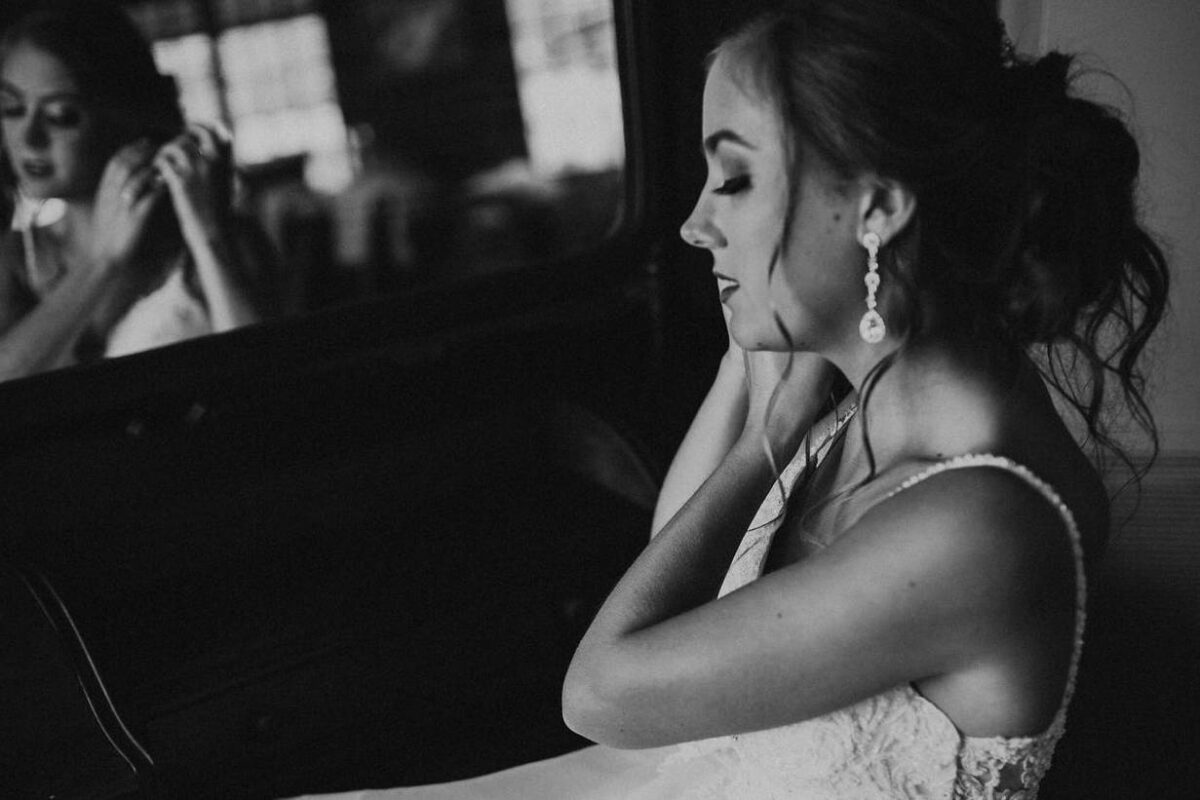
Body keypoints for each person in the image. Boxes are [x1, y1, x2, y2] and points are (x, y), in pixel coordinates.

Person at [287, 0, 1168, 797]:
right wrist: (746, 389)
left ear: (876, 208)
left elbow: (601, 697)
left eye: (735, 181)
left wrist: (767, 438)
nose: (695, 224)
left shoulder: (982, 522)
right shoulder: (858, 407)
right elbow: (679, 575)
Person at [0, 0, 276, 381]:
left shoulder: (214, 243)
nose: (29, 138)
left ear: (124, 115)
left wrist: (209, 235)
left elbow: (266, 380)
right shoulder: (16, 260)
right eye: (11, 108)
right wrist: (101, 261)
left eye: (61, 115)